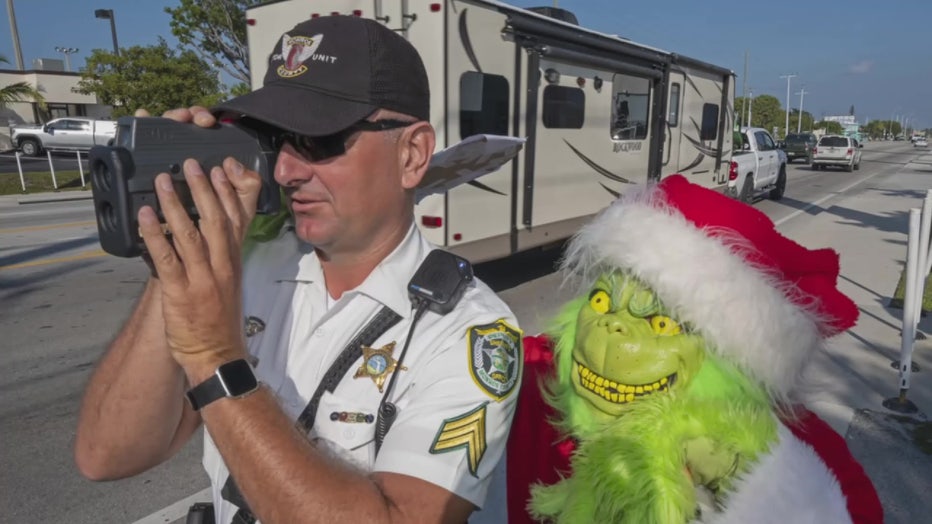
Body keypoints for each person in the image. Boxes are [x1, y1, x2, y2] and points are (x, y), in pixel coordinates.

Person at [74, 15, 522, 524]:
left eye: (319, 139)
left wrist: (215, 360)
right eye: (274, 137)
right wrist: (174, 261)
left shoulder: (469, 331)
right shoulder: (243, 271)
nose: (286, 170)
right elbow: (106, 455)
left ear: (412, 154)